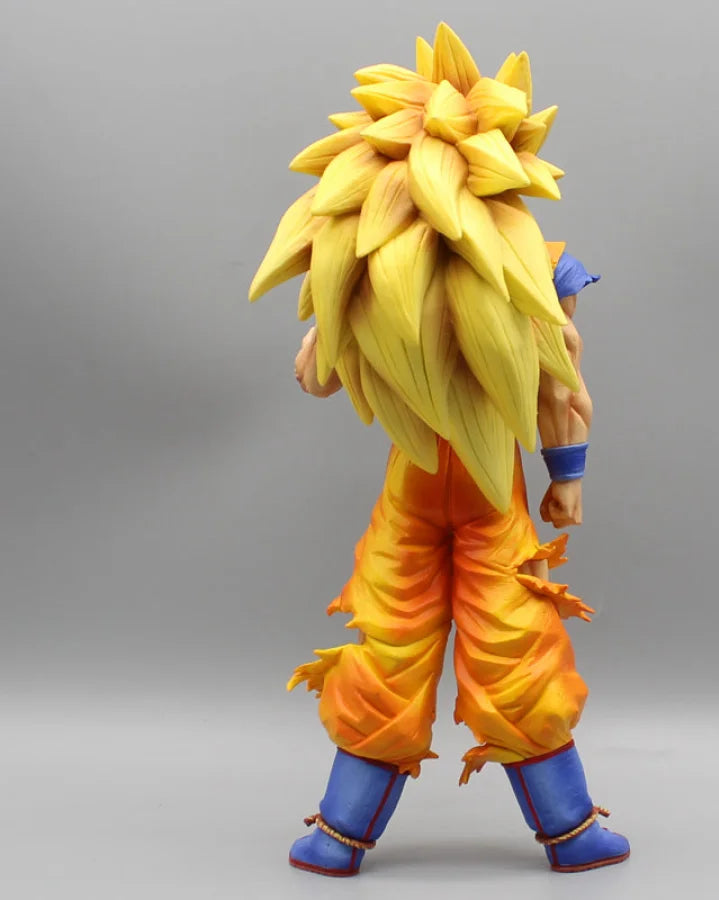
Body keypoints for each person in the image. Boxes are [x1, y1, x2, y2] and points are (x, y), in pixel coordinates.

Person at [249, 22, 630, 877]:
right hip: (433, 488)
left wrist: (567, 473)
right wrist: (341, 305)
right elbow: (320, 375)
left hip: (477, 491)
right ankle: (361, 832)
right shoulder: (380, 262)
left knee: (495, 642)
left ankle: (368, 835)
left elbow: (558, 383)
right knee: (413, 641)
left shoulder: (535, 264)